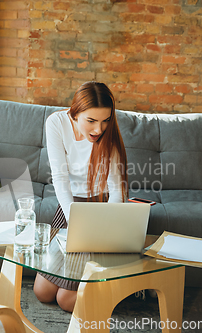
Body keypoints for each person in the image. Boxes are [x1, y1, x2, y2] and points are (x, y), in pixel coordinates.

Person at [33, 81, 128, 312]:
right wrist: (77, 221)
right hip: (70, 207)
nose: (99, 130)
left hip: (100, 210)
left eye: (105, 120)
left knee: (66, 300)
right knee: (42, 292)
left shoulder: (108, 135)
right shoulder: (56, 122)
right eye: (92, 121)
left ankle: (122, 287)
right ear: (75, 114)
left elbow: (117, 192)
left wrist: (101, 227)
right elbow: (60, 178)